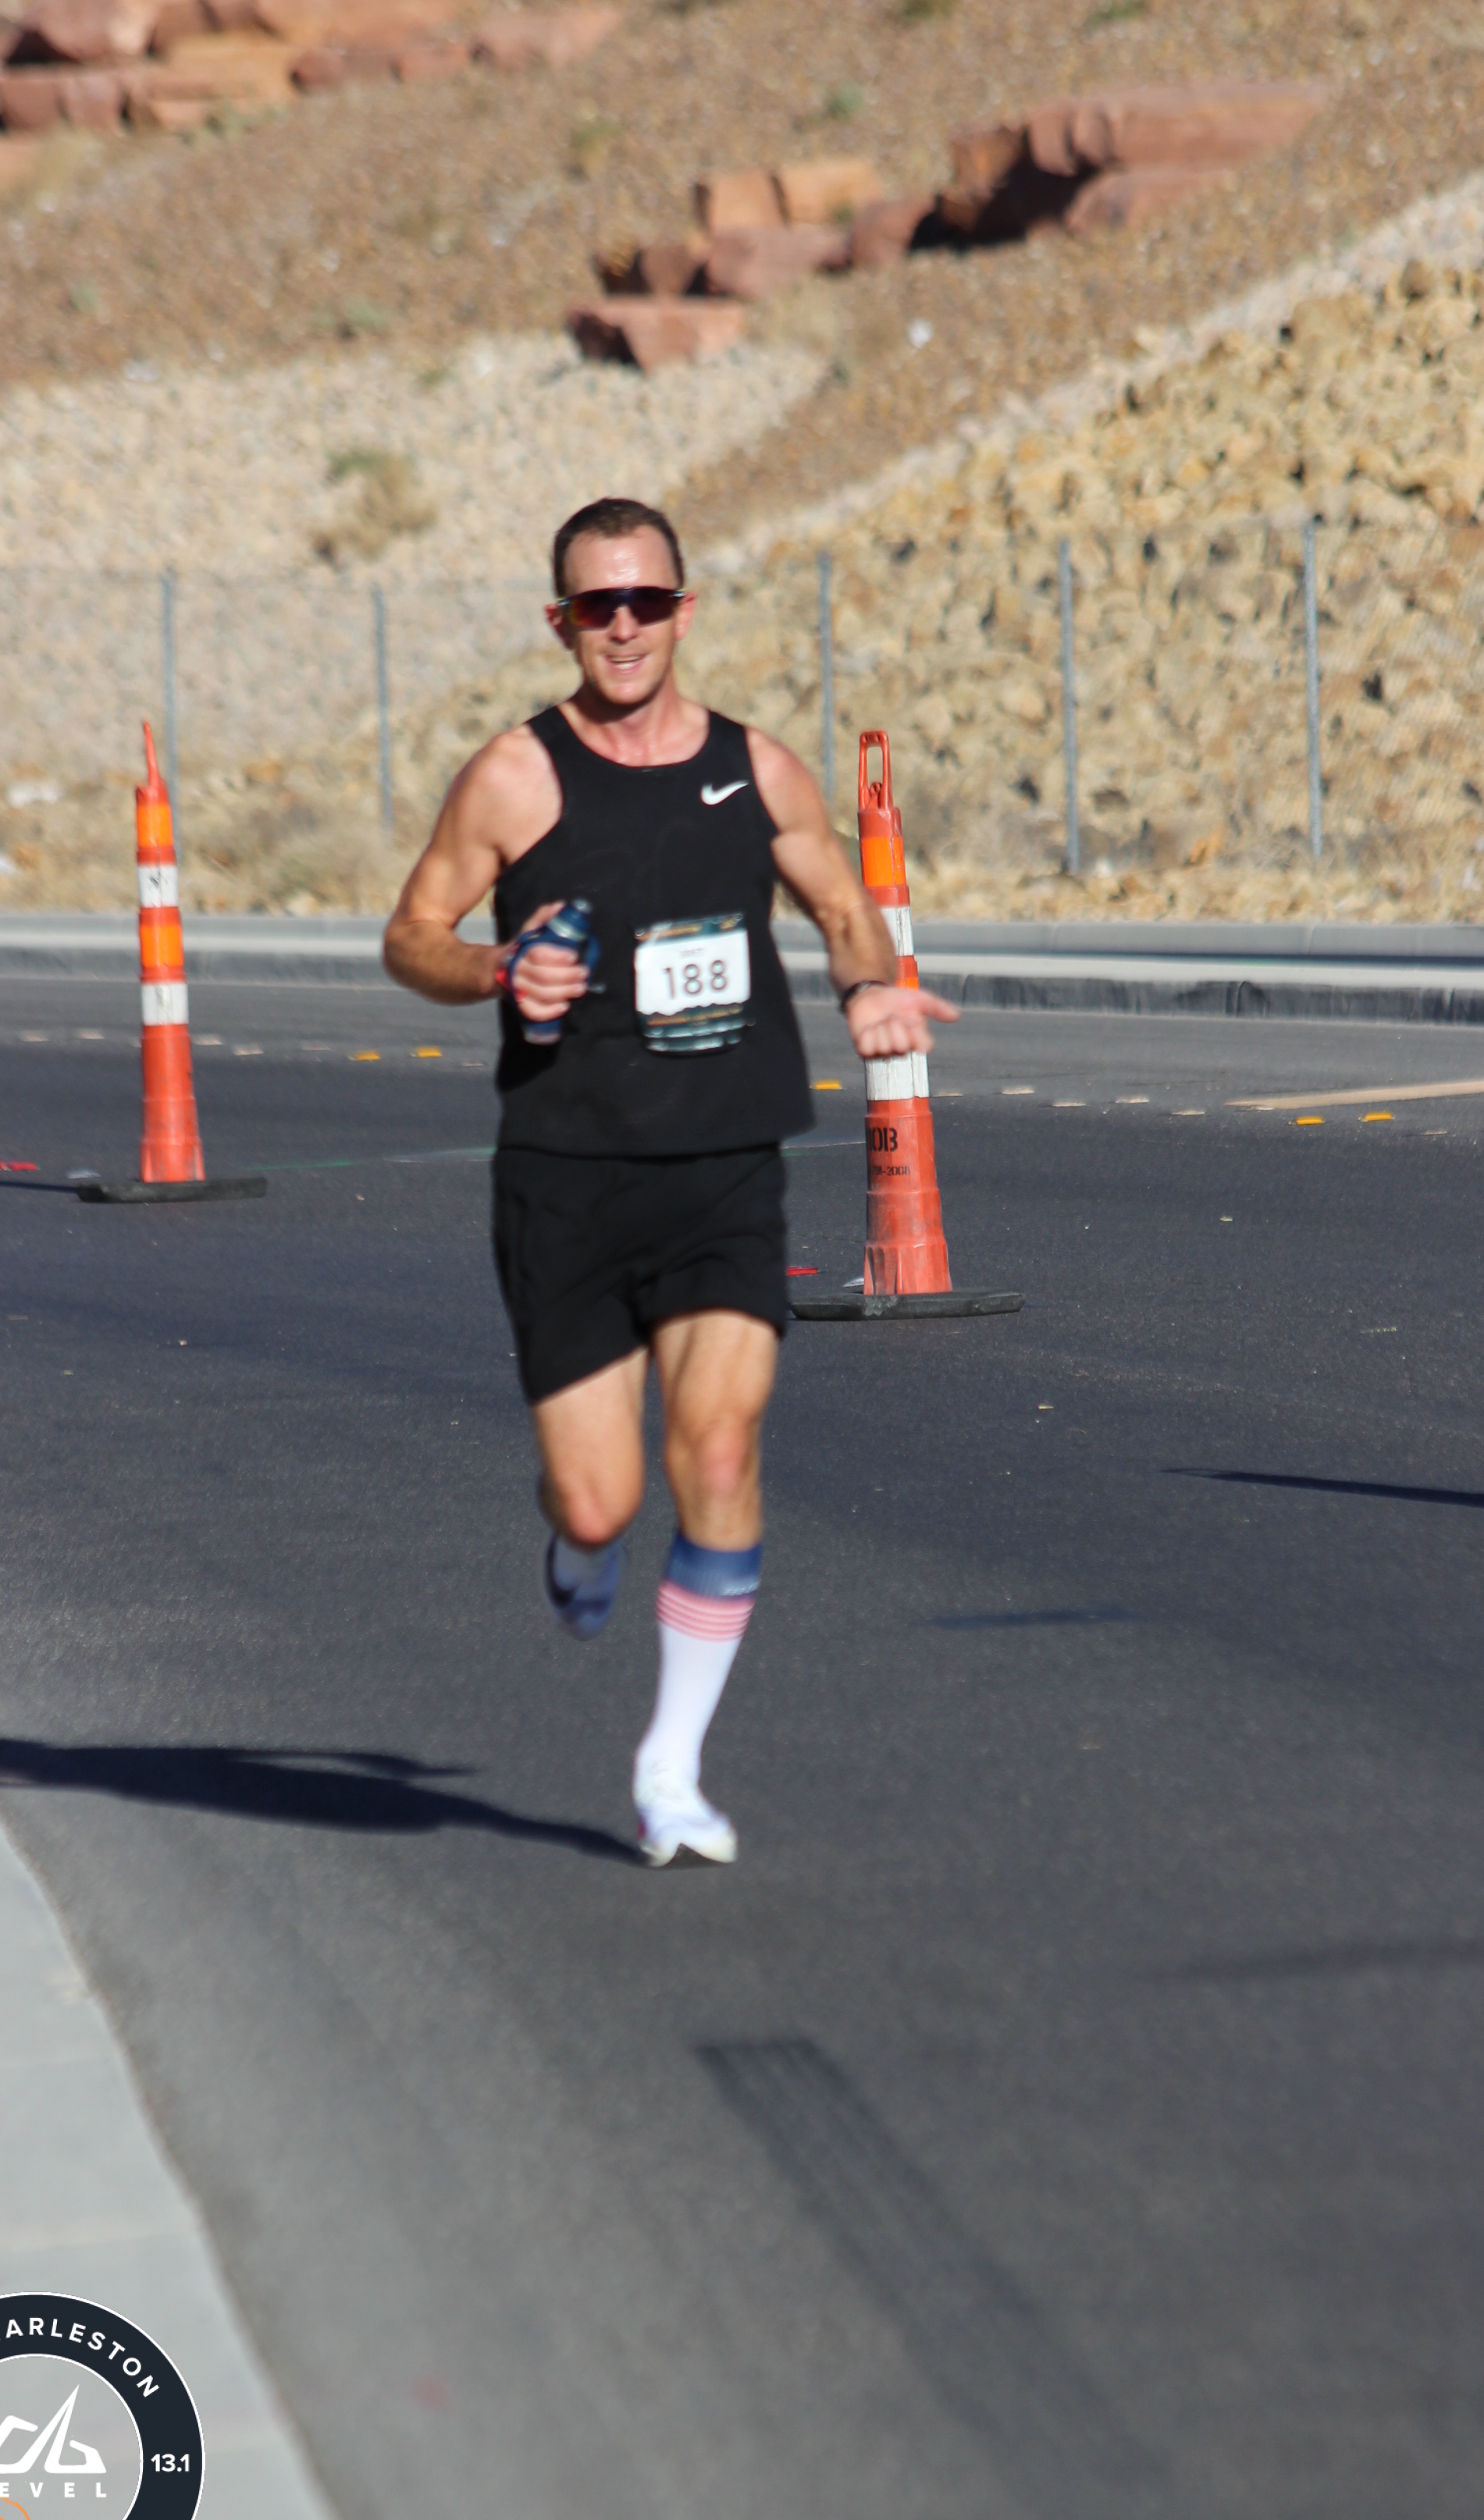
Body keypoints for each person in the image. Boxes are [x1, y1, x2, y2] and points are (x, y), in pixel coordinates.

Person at [382, 496, 956, 1866]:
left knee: (720, 1451)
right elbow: (411, 934)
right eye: (600, 606)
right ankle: (577, 1554)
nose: (626, 626)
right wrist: (495, 970)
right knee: (600, 1502)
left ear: (685, 611)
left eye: (648, 601)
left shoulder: (756, 770)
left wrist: (870, 987)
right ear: (562, 622)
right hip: (568, 1183)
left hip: (721, 1173)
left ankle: (672, 1766)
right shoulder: (514, 778)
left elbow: (841, 904)